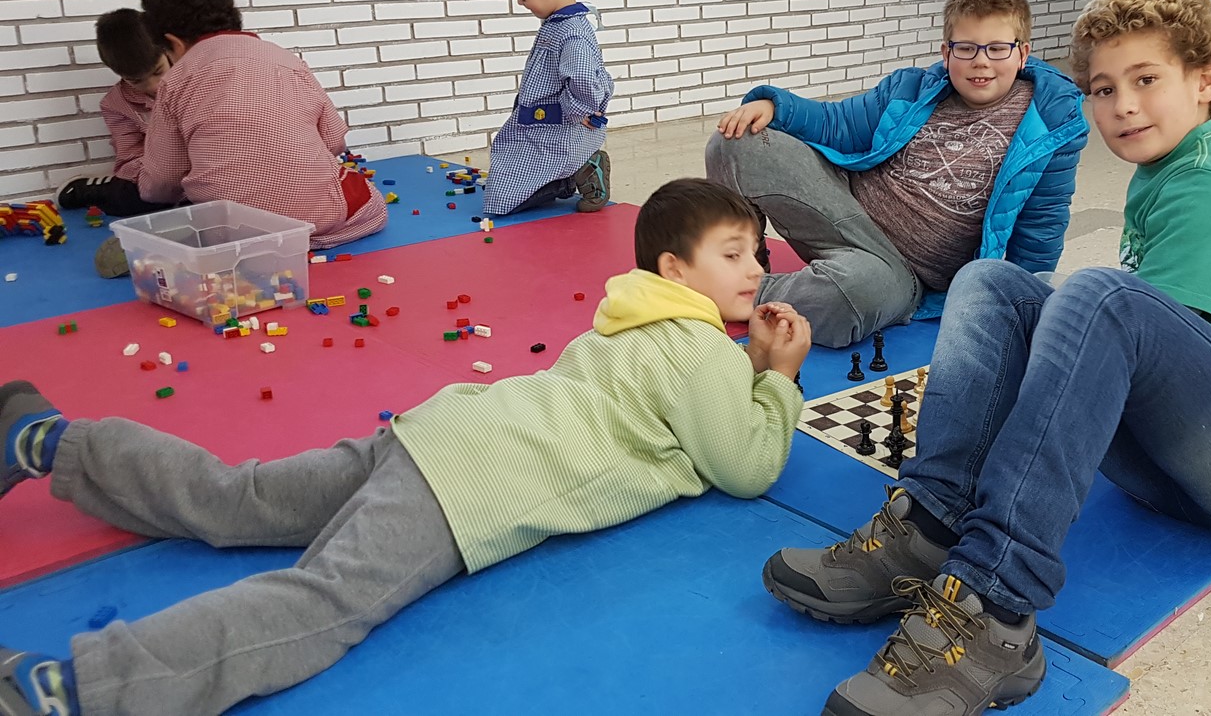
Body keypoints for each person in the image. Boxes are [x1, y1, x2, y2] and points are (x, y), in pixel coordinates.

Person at [759, 0, 1211, 716]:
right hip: (1188, 471)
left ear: (1206, 80)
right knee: (989, 282)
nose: (1123, 106)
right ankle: (931, 526)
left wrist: (1027, 415)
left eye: (1146, 80)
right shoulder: (1162, 172)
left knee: (1100, 296)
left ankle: (996, 605)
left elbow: (1145, 348)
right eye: (1103, 89)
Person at [0, 178, 810, 716]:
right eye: (732, 254)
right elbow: (744, 467)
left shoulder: (626, 318)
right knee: (320, 603)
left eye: (757, 252)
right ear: (675, 268)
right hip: (468, 489)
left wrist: (745, 366)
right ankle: (64, 690)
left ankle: (43, 440)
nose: (755, 268)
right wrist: (777, 379)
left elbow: (675, 401)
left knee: (239, 494)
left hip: (438, 431)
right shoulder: (702, 352)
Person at [706, 0, 1089, 348]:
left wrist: (1024, 314)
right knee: (736, 139)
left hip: (899, 274)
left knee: (856, 296)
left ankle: (738, 291)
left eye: (997, 48)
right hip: (842, 209)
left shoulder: (1051, 126)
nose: (981, 62)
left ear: (1022, 53)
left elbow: (1040, 227)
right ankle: (745, 262)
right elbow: (838, 123)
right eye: (966, 48)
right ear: (946, 53)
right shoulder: (912, 87)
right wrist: (775, 106)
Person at [132, 0, 387, 250]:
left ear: (174, 43)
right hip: (319, 217)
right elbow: (334, 141)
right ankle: (305, 238)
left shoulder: (175, 82)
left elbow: (160, 183)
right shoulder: (286, 60)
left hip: (228, 231)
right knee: (368, 203)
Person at [482, 0, 613, 218]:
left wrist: (579, 112)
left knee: (503, 199)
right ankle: (568, 172)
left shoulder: (572, 33)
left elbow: (583, 79)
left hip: (557, 130)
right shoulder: (557, 23)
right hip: (538, 128)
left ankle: (581, 170)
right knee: (500, 186)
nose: (520, 1)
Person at [55, 10, 174, 218]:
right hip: (158, 174)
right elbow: (129, 158)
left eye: (158, 72)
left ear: (168, 51)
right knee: (131, 201)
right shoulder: (115, 104)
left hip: (202, 168)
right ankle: (98, 190)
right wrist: (161, 172)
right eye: (136, 81)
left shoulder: (195, 78)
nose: (154, 86)